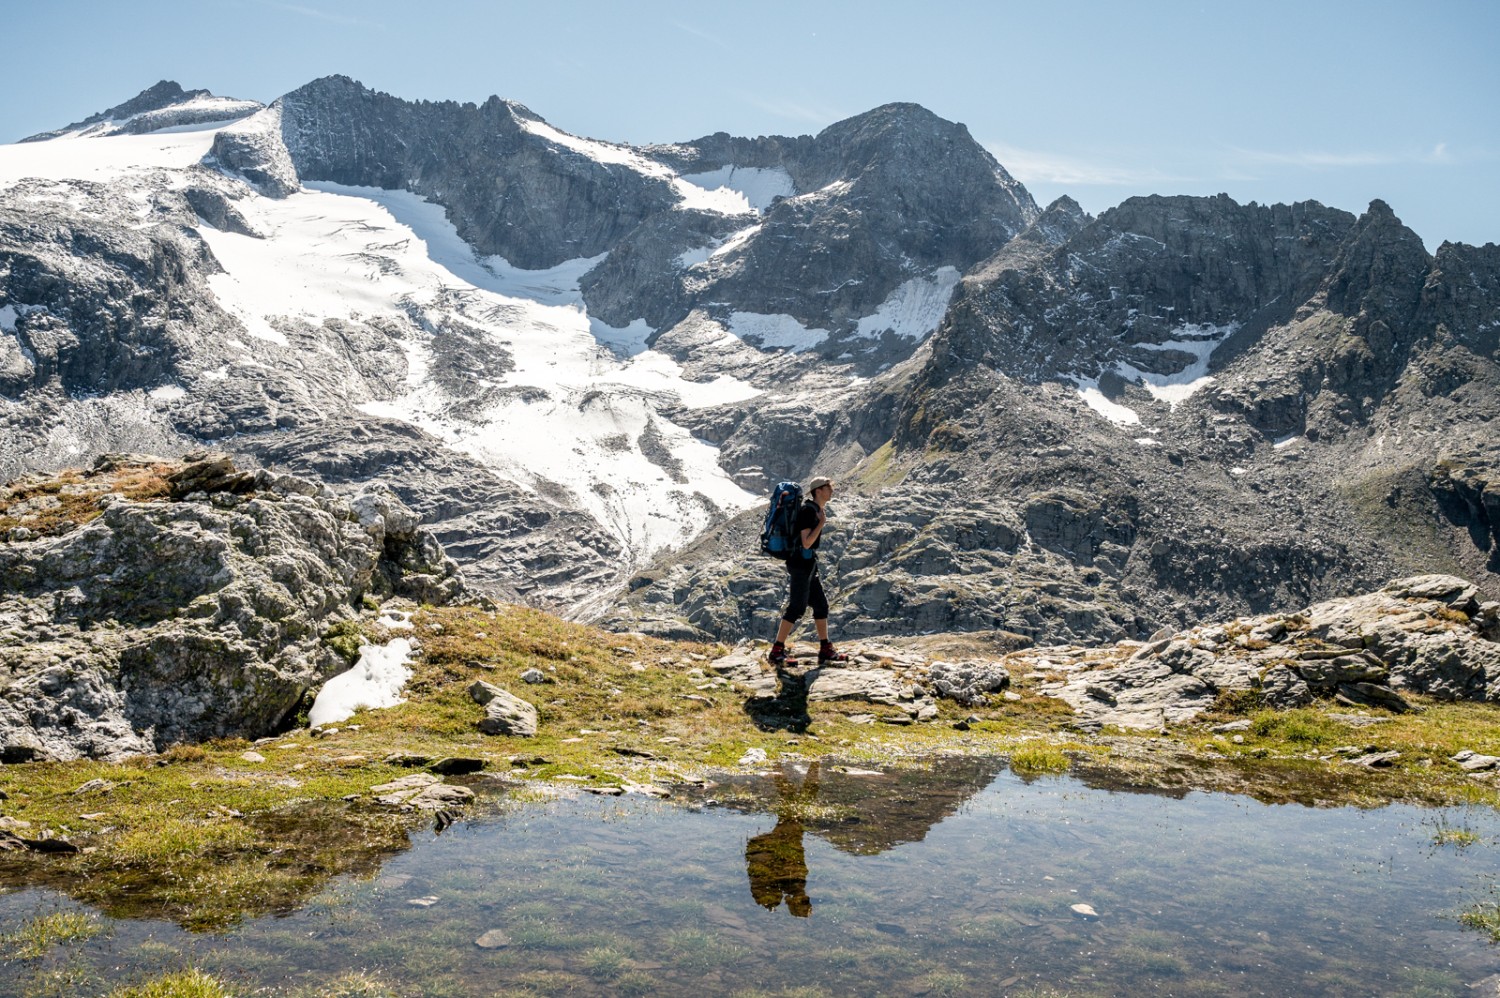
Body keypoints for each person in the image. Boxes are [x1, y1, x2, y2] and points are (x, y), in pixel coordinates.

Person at [767, 475, 848, 668]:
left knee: (821, 605)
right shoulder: (808, 512)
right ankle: (776, 651)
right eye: (828, 487)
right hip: (800, 565)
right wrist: (821, 523)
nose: (831, 489)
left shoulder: (815, 510)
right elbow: (806, 542)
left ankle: (825, 649)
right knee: (797, 608)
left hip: (808, 564)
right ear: (818, 490)